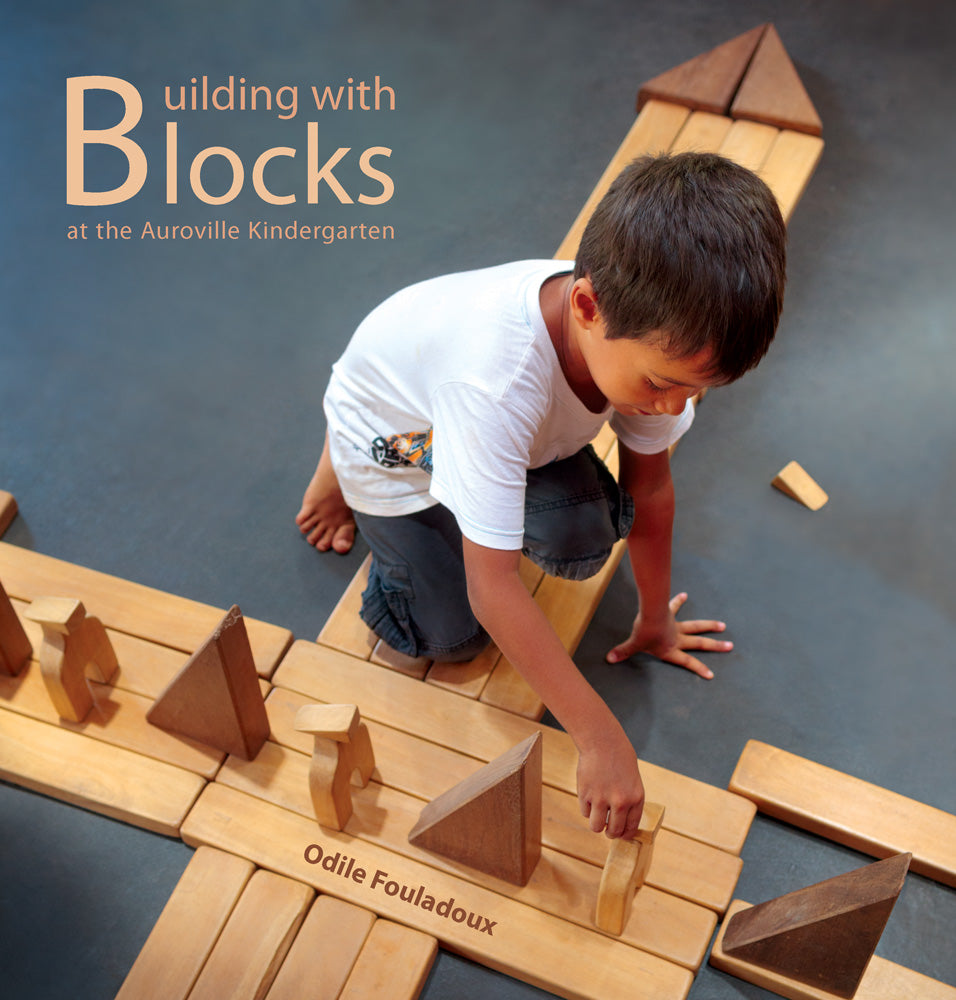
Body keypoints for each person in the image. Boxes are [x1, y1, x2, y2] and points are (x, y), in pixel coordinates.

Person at [296, 152, 787, 840]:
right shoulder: (495, 384)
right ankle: (343, 459)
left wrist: (654, 618)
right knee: (451, 638)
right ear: (586, 306)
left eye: (697, 389)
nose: (677, 404)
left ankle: (418, 471)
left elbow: (653, 490)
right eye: (660, 386)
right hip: (398, 439)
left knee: (581, 537)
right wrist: (598, 737)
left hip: (463, 419)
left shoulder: (645, 337)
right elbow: (492, 589)